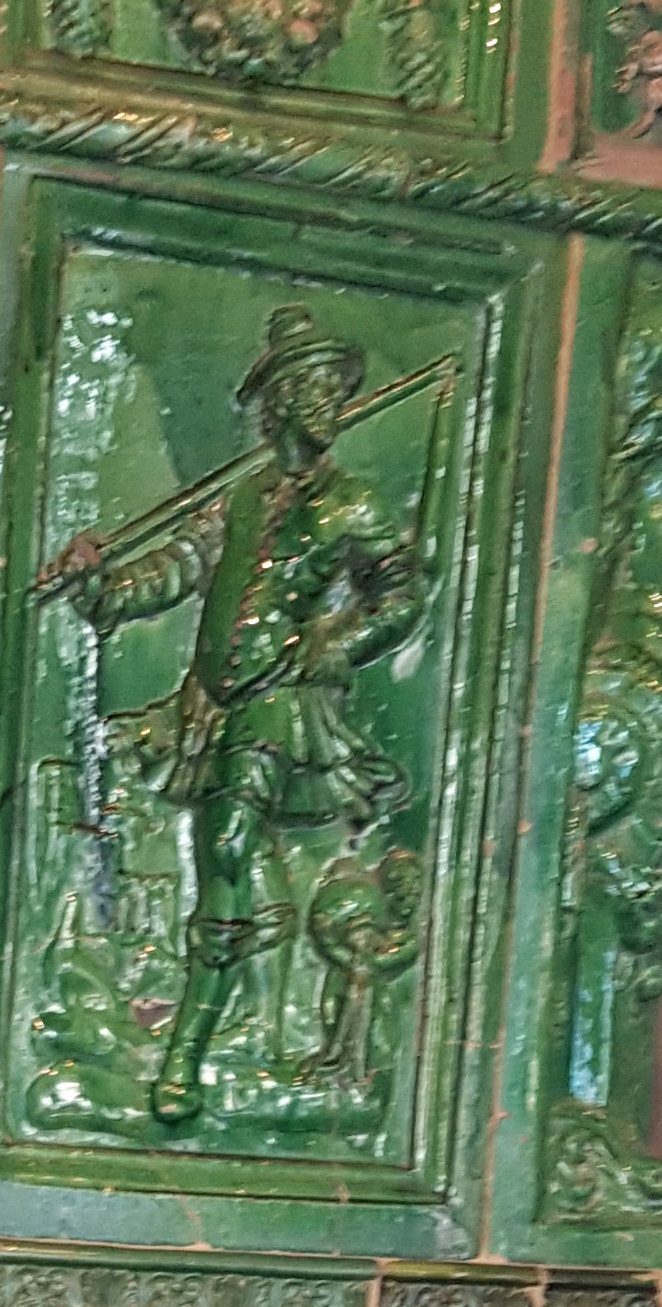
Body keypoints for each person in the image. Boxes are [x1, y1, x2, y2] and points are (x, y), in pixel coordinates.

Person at [45, 308, 425, 1128]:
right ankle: (240, 983)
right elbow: (173, 571)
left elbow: (400, 595)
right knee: (223, 858)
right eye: (311, 389)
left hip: (282, 704)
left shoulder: (354, 504)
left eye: (335, 389)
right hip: (211, 708)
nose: (327, 403)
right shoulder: (237, 503)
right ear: (277, 402)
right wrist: (100, 586)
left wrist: (338, 643)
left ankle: (185, 1053)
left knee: (224, 845)